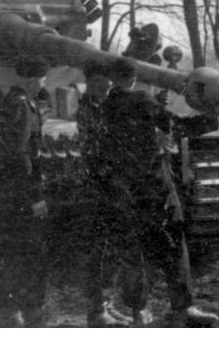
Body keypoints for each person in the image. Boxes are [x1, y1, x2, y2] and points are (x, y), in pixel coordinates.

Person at [98, 57, 219, 327]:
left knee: (136, 251)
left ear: (112, 79)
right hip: (154, 187)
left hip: (124, 190)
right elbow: (176, 127)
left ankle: (138, 310)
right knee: (174, 244)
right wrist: (212, 118)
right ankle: (184, 306)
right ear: (133, 79)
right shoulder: (141, 100)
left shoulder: (104, 107)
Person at [0, 55, 51, 327]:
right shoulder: (23, 105)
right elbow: (20, 153)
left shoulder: (9, 101)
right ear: (34, 78)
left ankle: (9, 309)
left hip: (6, 189)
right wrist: (34, 195)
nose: (43, 83)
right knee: (31, 253)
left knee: (10, 252)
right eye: (42, 78)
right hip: (21, 191)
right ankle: (29, 310)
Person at [77, 59, 133, 327]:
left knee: (112, 248)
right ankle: (97, 310)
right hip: (99, 185)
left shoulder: (105, 106)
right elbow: (95, 148)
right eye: (102, 77)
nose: (108, 82)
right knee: (100, 249)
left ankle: (107, 304)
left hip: (113, 183)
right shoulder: (87, 108)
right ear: (90, 80)